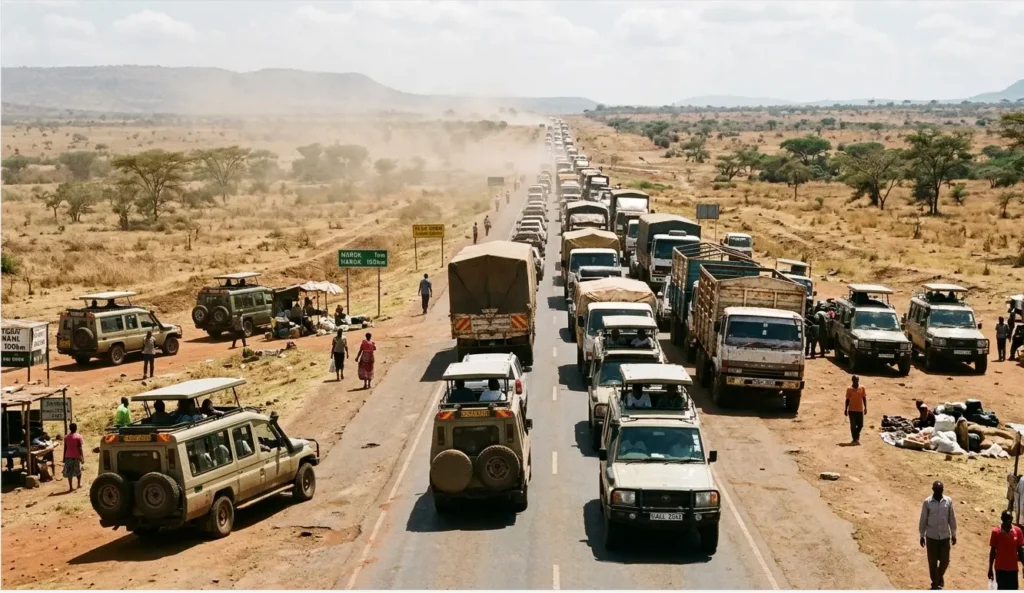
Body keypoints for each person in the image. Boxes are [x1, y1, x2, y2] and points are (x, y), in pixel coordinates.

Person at [920, 480, 957, 590]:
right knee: (932, 562)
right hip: (931, 537)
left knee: (945, 561)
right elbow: (923, 519)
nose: (939, 492)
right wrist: (922, 535)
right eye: (937, 490)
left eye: (941, 490)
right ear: (933, 490)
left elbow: (952, 519)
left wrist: (954, 534)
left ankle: (939, 576)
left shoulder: (948, 501)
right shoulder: (927, 502)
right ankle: (935, 583)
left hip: (945, 537)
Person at [989, 510, 1023, 590]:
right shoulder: (996, 532)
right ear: (1001, 519)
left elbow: (1021, 551)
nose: (1008, 522)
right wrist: (990, 568)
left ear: (1012, 519)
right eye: (1006, 519)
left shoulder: (1018, 531)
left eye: (1010, 520)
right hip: (1000, 569)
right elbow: (992, 551)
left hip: (1013, 569)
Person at [844, 375, 867, 445]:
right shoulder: (849, 389)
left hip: (860, 410)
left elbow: (864, 398)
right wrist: (845, 409)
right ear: (852, 380)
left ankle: (856, 436)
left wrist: (866, 407)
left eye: (857, 380)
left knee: (861, 425)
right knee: (853, 426)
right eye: (855, 380)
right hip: (851, 410)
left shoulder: (862, 388)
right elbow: (847, 399)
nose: (856, 381)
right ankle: (855, 439)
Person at [62, 423, 84, 492]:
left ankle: (71, 487)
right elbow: (80, 448)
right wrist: (82, 457)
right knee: (78, 471)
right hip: (76, 456)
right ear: (76, 428)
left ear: (69, 428)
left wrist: (64, 458)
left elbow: (65, 448)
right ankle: (78, 484)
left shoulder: (66, 437)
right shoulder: (78, 437)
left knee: (69, 472)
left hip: (68, 456)